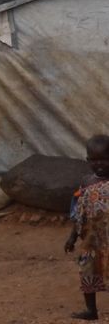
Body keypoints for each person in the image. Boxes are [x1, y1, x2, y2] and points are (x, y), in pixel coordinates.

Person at [65, 135, 109, 321]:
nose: (99, 164)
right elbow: (79, 213)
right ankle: (91, 311)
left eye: (104, 159)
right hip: (91, 240)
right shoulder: (86, 181)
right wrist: (72, 237)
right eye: (94, 159)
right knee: (88, 273)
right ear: (87, 160)